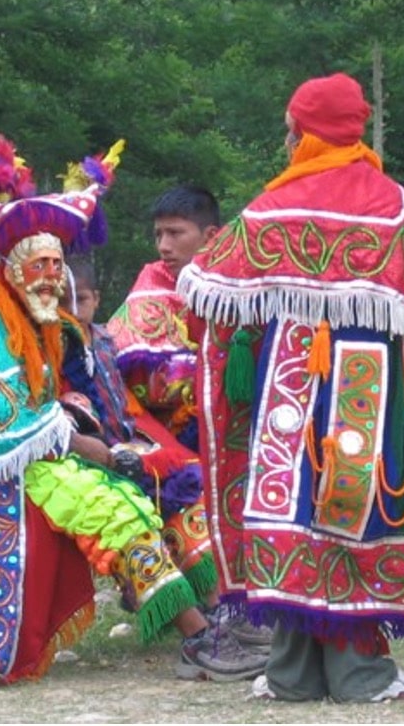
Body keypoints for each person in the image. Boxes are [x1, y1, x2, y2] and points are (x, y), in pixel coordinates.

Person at [176, 72, 404, 703]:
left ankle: (292, 671)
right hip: (368, 390)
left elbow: (204, 285)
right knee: (357, 512)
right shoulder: (397, 208)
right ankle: (357, 671)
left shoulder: (271, 208)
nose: (286, 143)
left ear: (305, 133)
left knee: (288, 508)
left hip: (288, 388)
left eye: (291, 131)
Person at [0, 120, 247, 694]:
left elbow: (76, 387)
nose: (49, 279)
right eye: (36, 268)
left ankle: (221, 616)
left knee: (151, 483)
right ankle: (199, 636)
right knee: (113, 508)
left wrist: (100, 432)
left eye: (55, 268)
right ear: (8, 269)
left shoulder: (46, 321)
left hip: (45, 452)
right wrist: (81, 442)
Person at [60, 257, 271, 679]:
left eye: (77, 299)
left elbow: (120, 403)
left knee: (180, 484)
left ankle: (221, 615)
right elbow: (45, 416)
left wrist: (139, 448)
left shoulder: (100, 340)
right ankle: (195, 638)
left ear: (96, 300)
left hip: (113, 442)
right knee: (126, 516)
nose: (69, 309)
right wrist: (101, 451)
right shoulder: (40, 345)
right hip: (62, 460)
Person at [106, 185, 222, 452]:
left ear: (211, 236)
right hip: (164, 435)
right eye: (158, 235)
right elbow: (140, 380)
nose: (163, 246)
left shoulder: (240, 286)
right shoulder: (151, 283)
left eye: (175, 233)